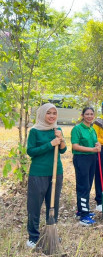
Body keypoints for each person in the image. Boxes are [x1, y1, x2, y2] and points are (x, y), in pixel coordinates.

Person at [26, 103, 67, 248]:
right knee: (34, 205)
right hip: (38, 173)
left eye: (54, 113)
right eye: (48, 113)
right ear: (42, 114)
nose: (51, 116)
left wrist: (60, 139)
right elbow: (31, 151)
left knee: (53, 204)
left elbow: (63, 150)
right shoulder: (35, 131)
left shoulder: (57, 129)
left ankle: (51, 232)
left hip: (56, 172)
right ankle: (33, 236)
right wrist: (50, 144)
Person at [71, 107, 101, 226]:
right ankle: (84, 215)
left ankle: (81, 209)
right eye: (87, 114)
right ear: (82, 115)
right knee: (83, 186)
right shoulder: (77, 129)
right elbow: (75, 146)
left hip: (92, 158)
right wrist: (92, 149)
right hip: (81, 159)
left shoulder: (92, 129)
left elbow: (95, 142)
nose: (89, 116)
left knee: (88, 185)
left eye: (91, 114)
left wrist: (98, 145)